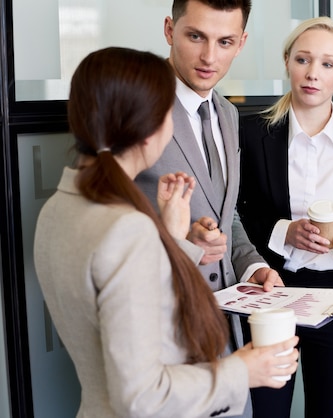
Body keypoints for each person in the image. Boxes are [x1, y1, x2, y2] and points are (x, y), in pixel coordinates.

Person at [33, 47, 298, 418]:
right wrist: (243, 370)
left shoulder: (58, 208)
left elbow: (126, 308)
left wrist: (178, 243)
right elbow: (142, 395)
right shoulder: (127, 228)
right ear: (149, 128)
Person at [238, 16, 333, 418]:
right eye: (303, 59)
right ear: (287, 62)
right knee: (267, 413)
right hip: (271, 293)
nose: (312, 73)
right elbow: (236, 213)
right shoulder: (250, 134)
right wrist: (283, 232)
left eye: (326, 64)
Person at [134, 3, 283, 415]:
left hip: (227, 337)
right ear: (169, 29)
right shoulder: (132, 106)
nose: (209, 57)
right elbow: (104, 220)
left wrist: (252, 265)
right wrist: (179, 236)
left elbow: (226, 214)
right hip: (160, 336)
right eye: (195, 36)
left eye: (225, 42)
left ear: (242, 44)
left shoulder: (229, 114)